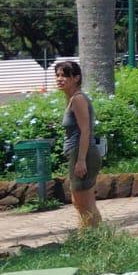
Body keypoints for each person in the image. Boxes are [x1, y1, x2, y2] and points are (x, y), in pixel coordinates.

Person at [57, 61, 102, 228]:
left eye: (64, 75)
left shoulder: (78, 99)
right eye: (58, 75)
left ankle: (94, 237)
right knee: (81, 201)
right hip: (77, 153)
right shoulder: (71, 99)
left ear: (76, 78)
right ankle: (90, 235)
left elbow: (86, 130)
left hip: (82, 154)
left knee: (84, 202)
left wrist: (81, 160)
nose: (59, 79)